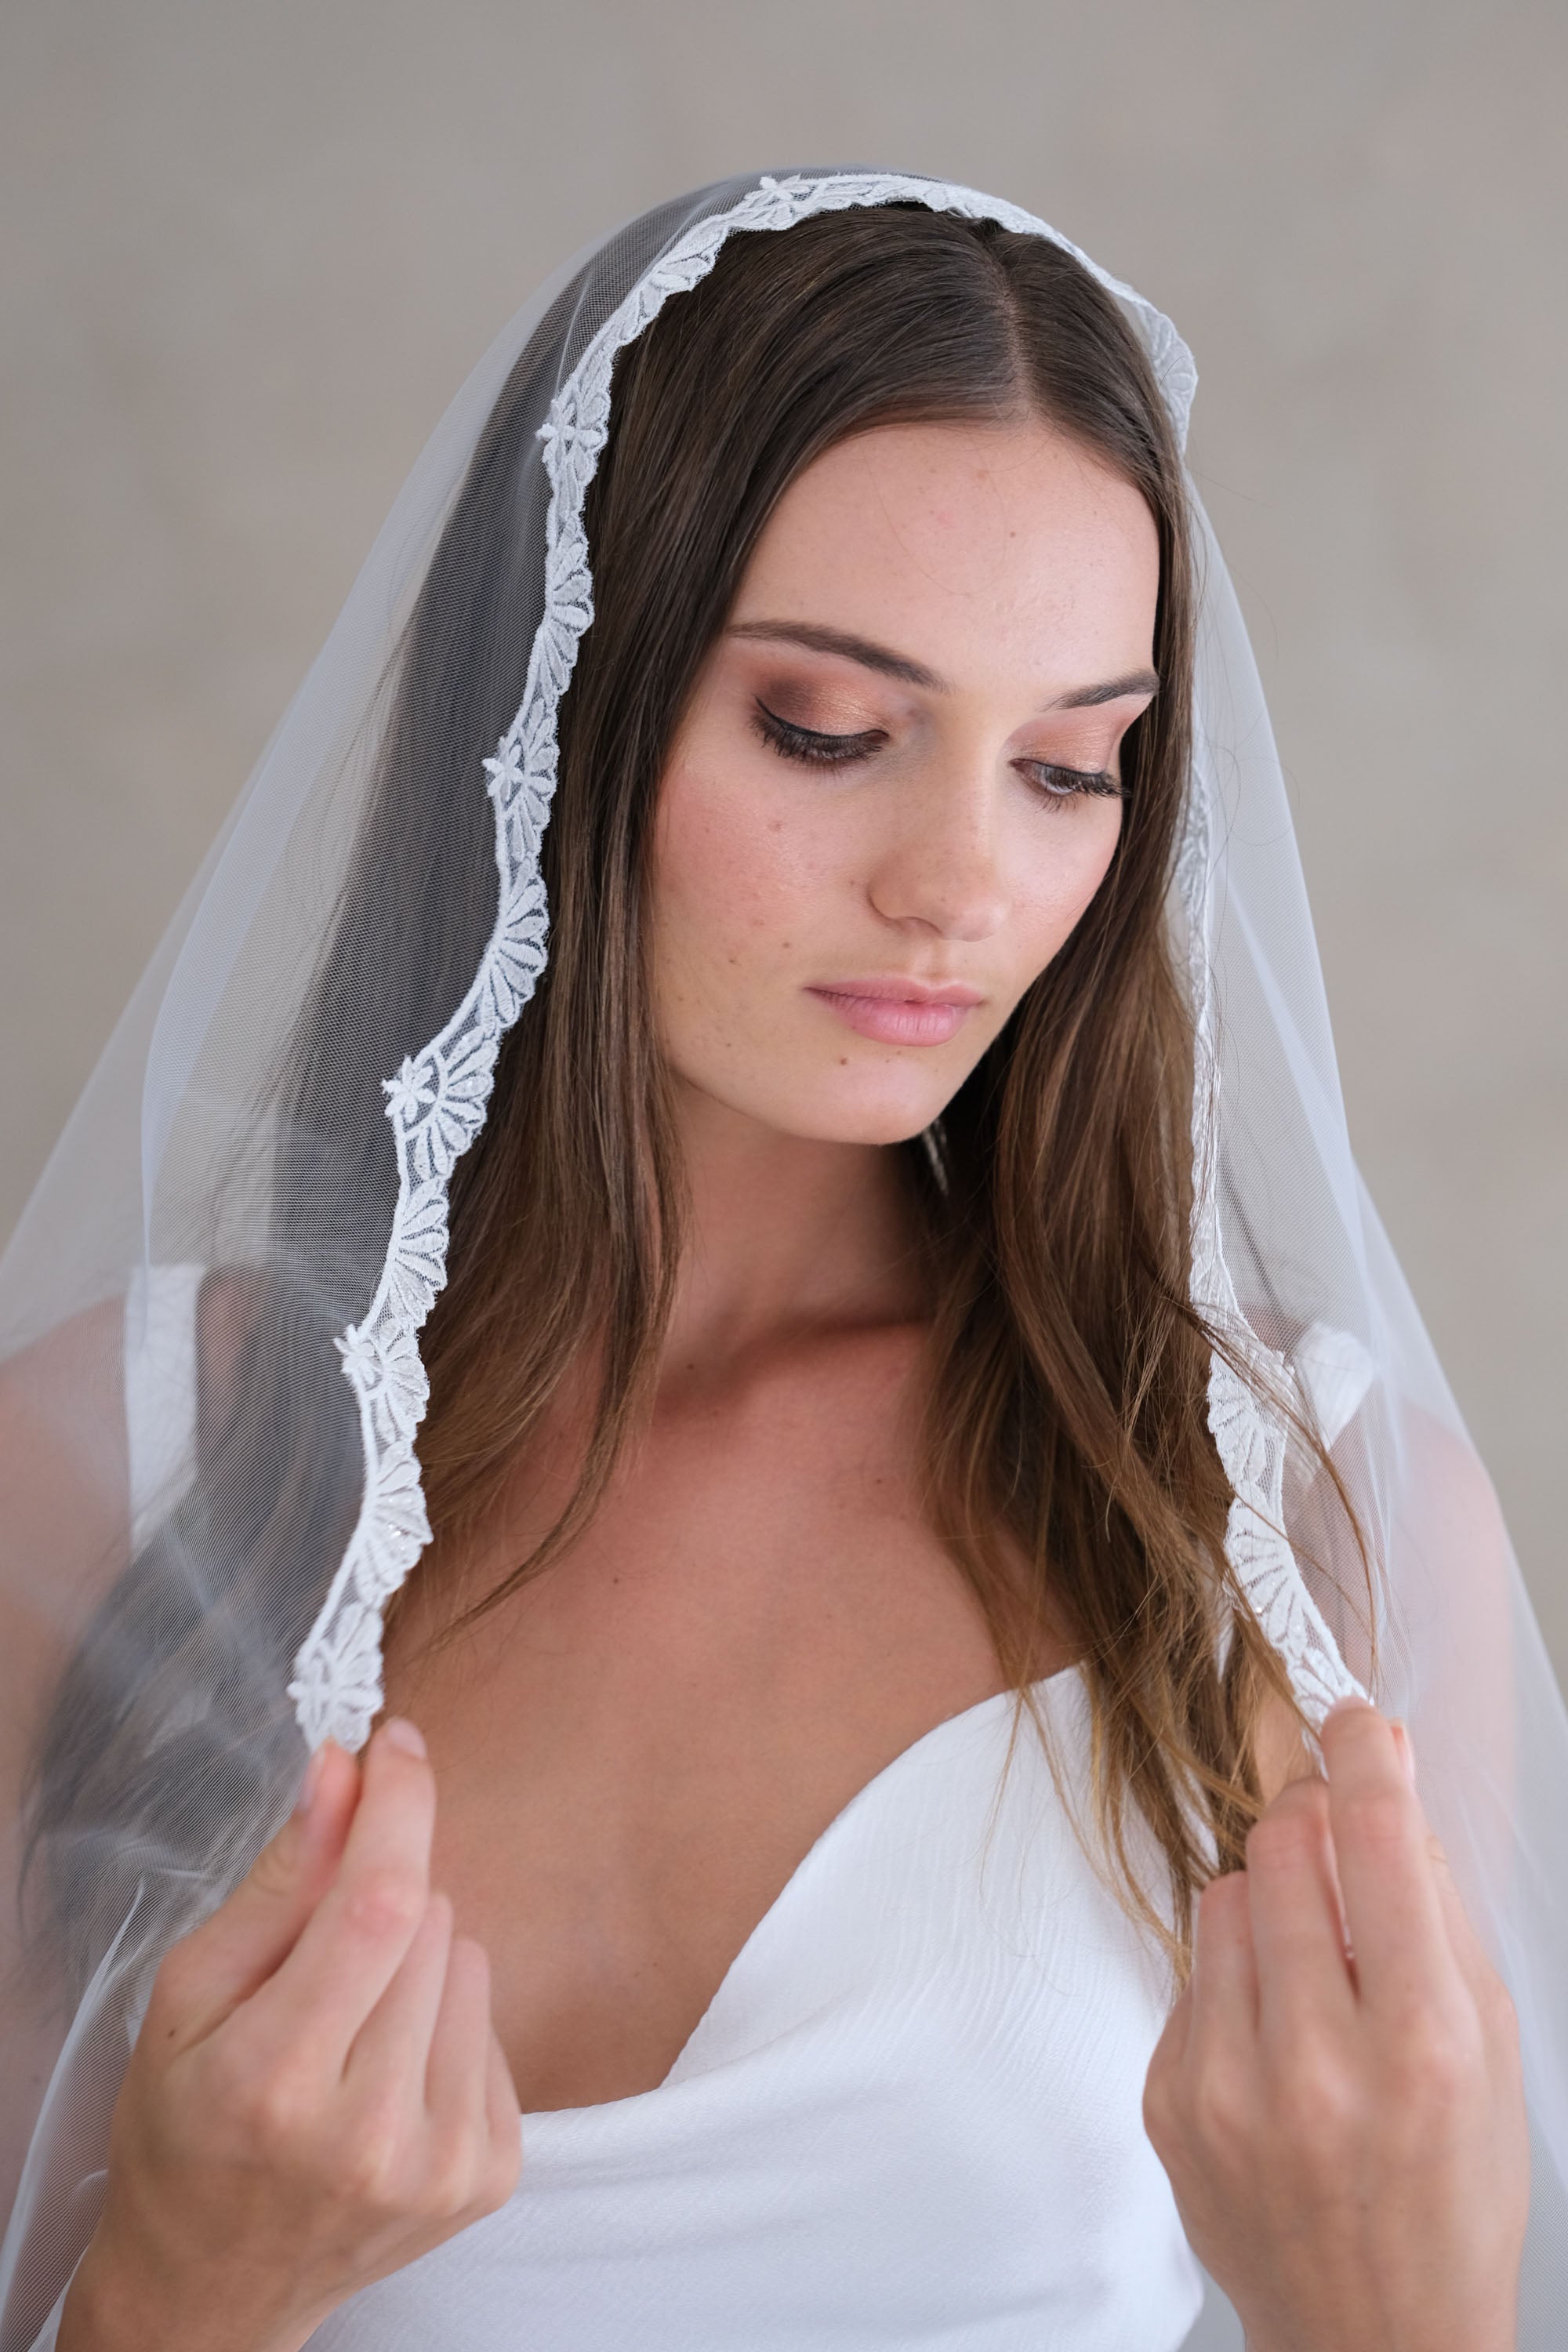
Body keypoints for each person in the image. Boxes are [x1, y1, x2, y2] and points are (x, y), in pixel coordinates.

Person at [0, 169, 1557, 2352]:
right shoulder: (122, 1465)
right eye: (828, 730)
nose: (961, 885)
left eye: (1071, 766)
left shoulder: (1308, 1527)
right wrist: (180, 2289)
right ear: (557, 707)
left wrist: (1399, 2314)